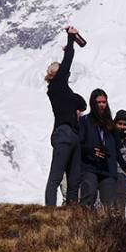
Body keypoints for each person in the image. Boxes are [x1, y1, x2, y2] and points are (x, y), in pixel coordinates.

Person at [44, 26, 87, 206]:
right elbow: (68, 59)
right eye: (61, 70)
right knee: (56, 176)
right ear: (55, 74)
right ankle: (50, 211)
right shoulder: (56, 86)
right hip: (63, 133)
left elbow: (82, 102)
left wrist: (77, 107)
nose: (66, 72)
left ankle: (71, 213)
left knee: (74, 178)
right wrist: (70, 39)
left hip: (72, 134)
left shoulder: (65, 90)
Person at [78, 88, 119, 207]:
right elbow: (79, 144)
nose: (102, 105)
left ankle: (109, 226)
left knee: (110, 205)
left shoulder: (110, 123)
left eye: (104, 102)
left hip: (108, 168)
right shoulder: (84, 120)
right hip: (89, 166)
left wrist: (124, 166)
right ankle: (83, 225)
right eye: (99, 102)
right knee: (88, 198)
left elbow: (117, 148)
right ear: (93, 103)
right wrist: (90, 150)